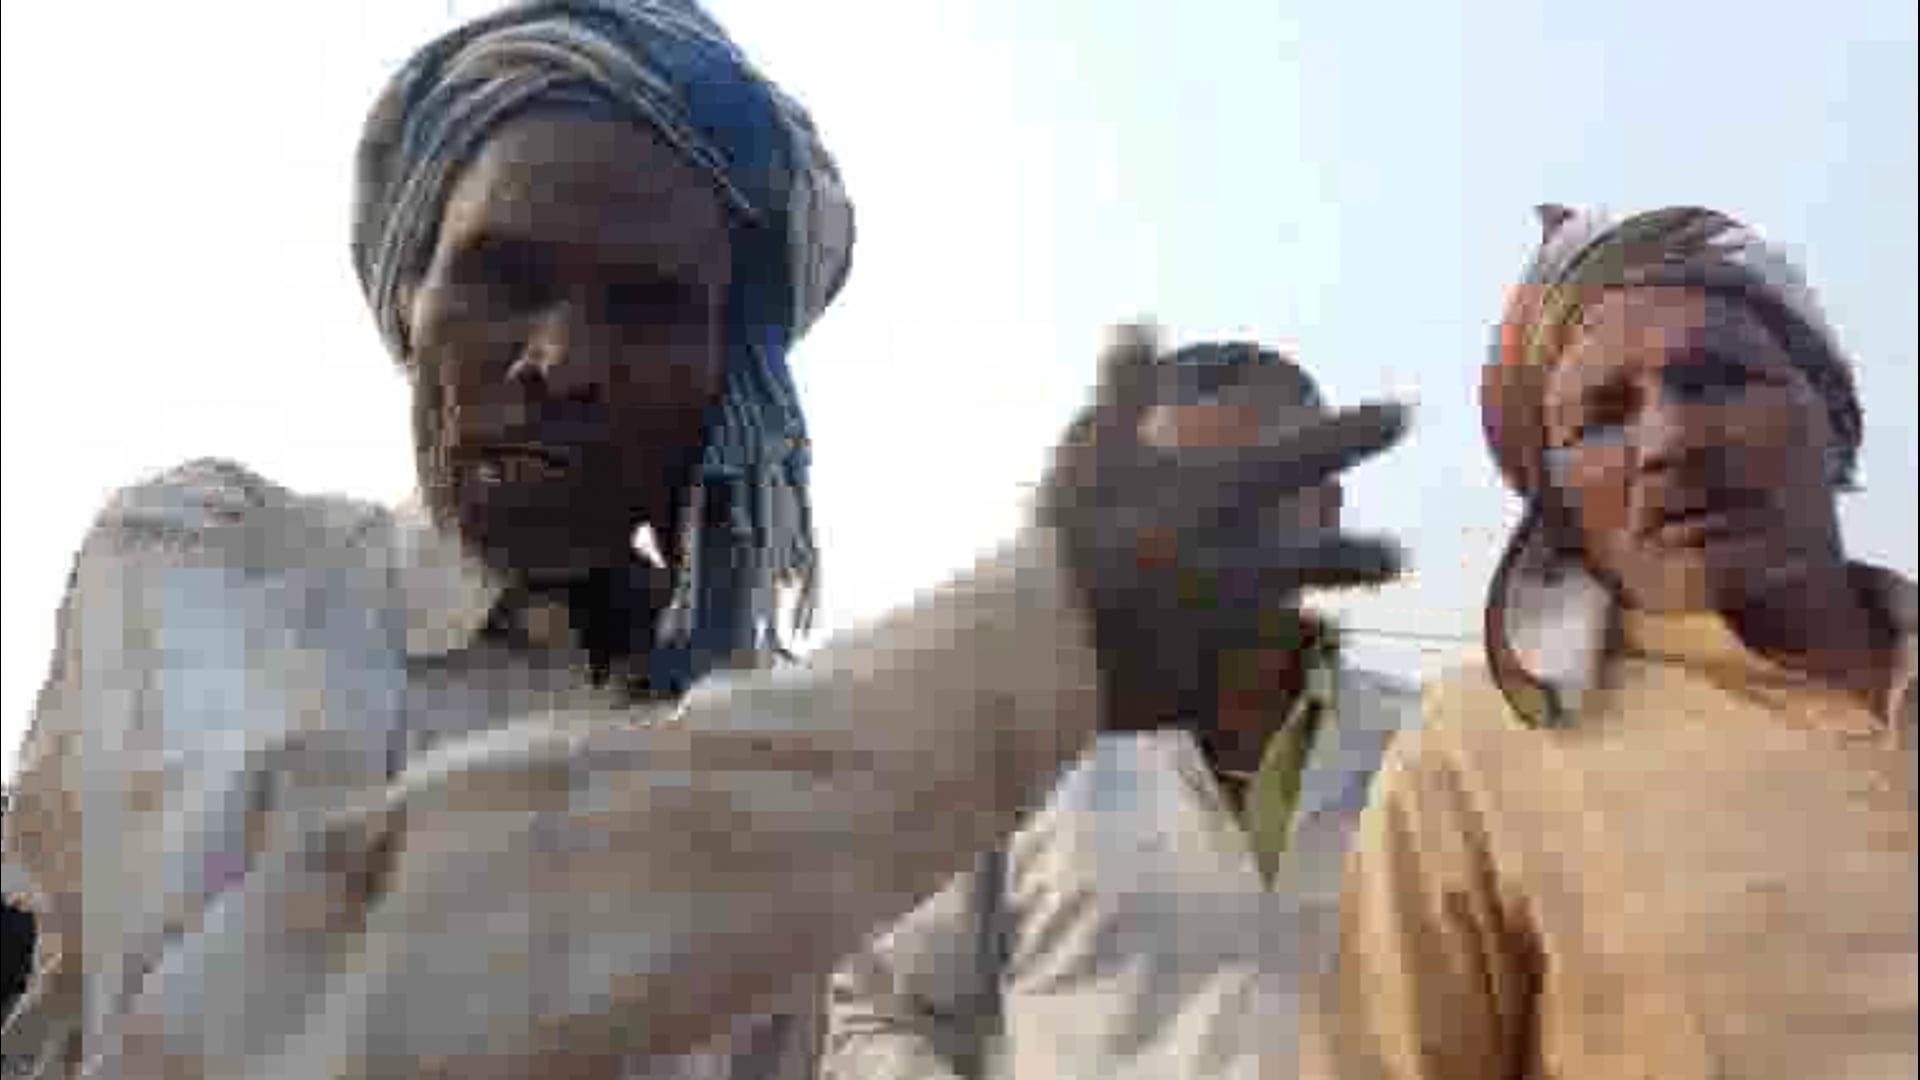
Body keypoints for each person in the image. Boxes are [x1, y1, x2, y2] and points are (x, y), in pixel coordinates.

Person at [0, 2, 1411, 1077]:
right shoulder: (210, 563)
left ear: (733, 390)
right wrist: (1029, 653)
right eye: (502, 278)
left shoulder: (770, 729)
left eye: (648, 307)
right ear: (411, 295)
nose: (560, 360)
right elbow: (260, 1012)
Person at [1311, 204, 1917, 1080]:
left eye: (1717, 379)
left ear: (1834, 416)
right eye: (1600, 418)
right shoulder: (1483, 745)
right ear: (1557, 505)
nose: (1671, 441)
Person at [819, 343, 1418, 1080]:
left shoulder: (1431, 753)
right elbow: (879, 1019)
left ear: (1326, 508)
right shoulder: (1016, 751)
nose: (1208, 532)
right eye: (1172, 498)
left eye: (1250, 491)